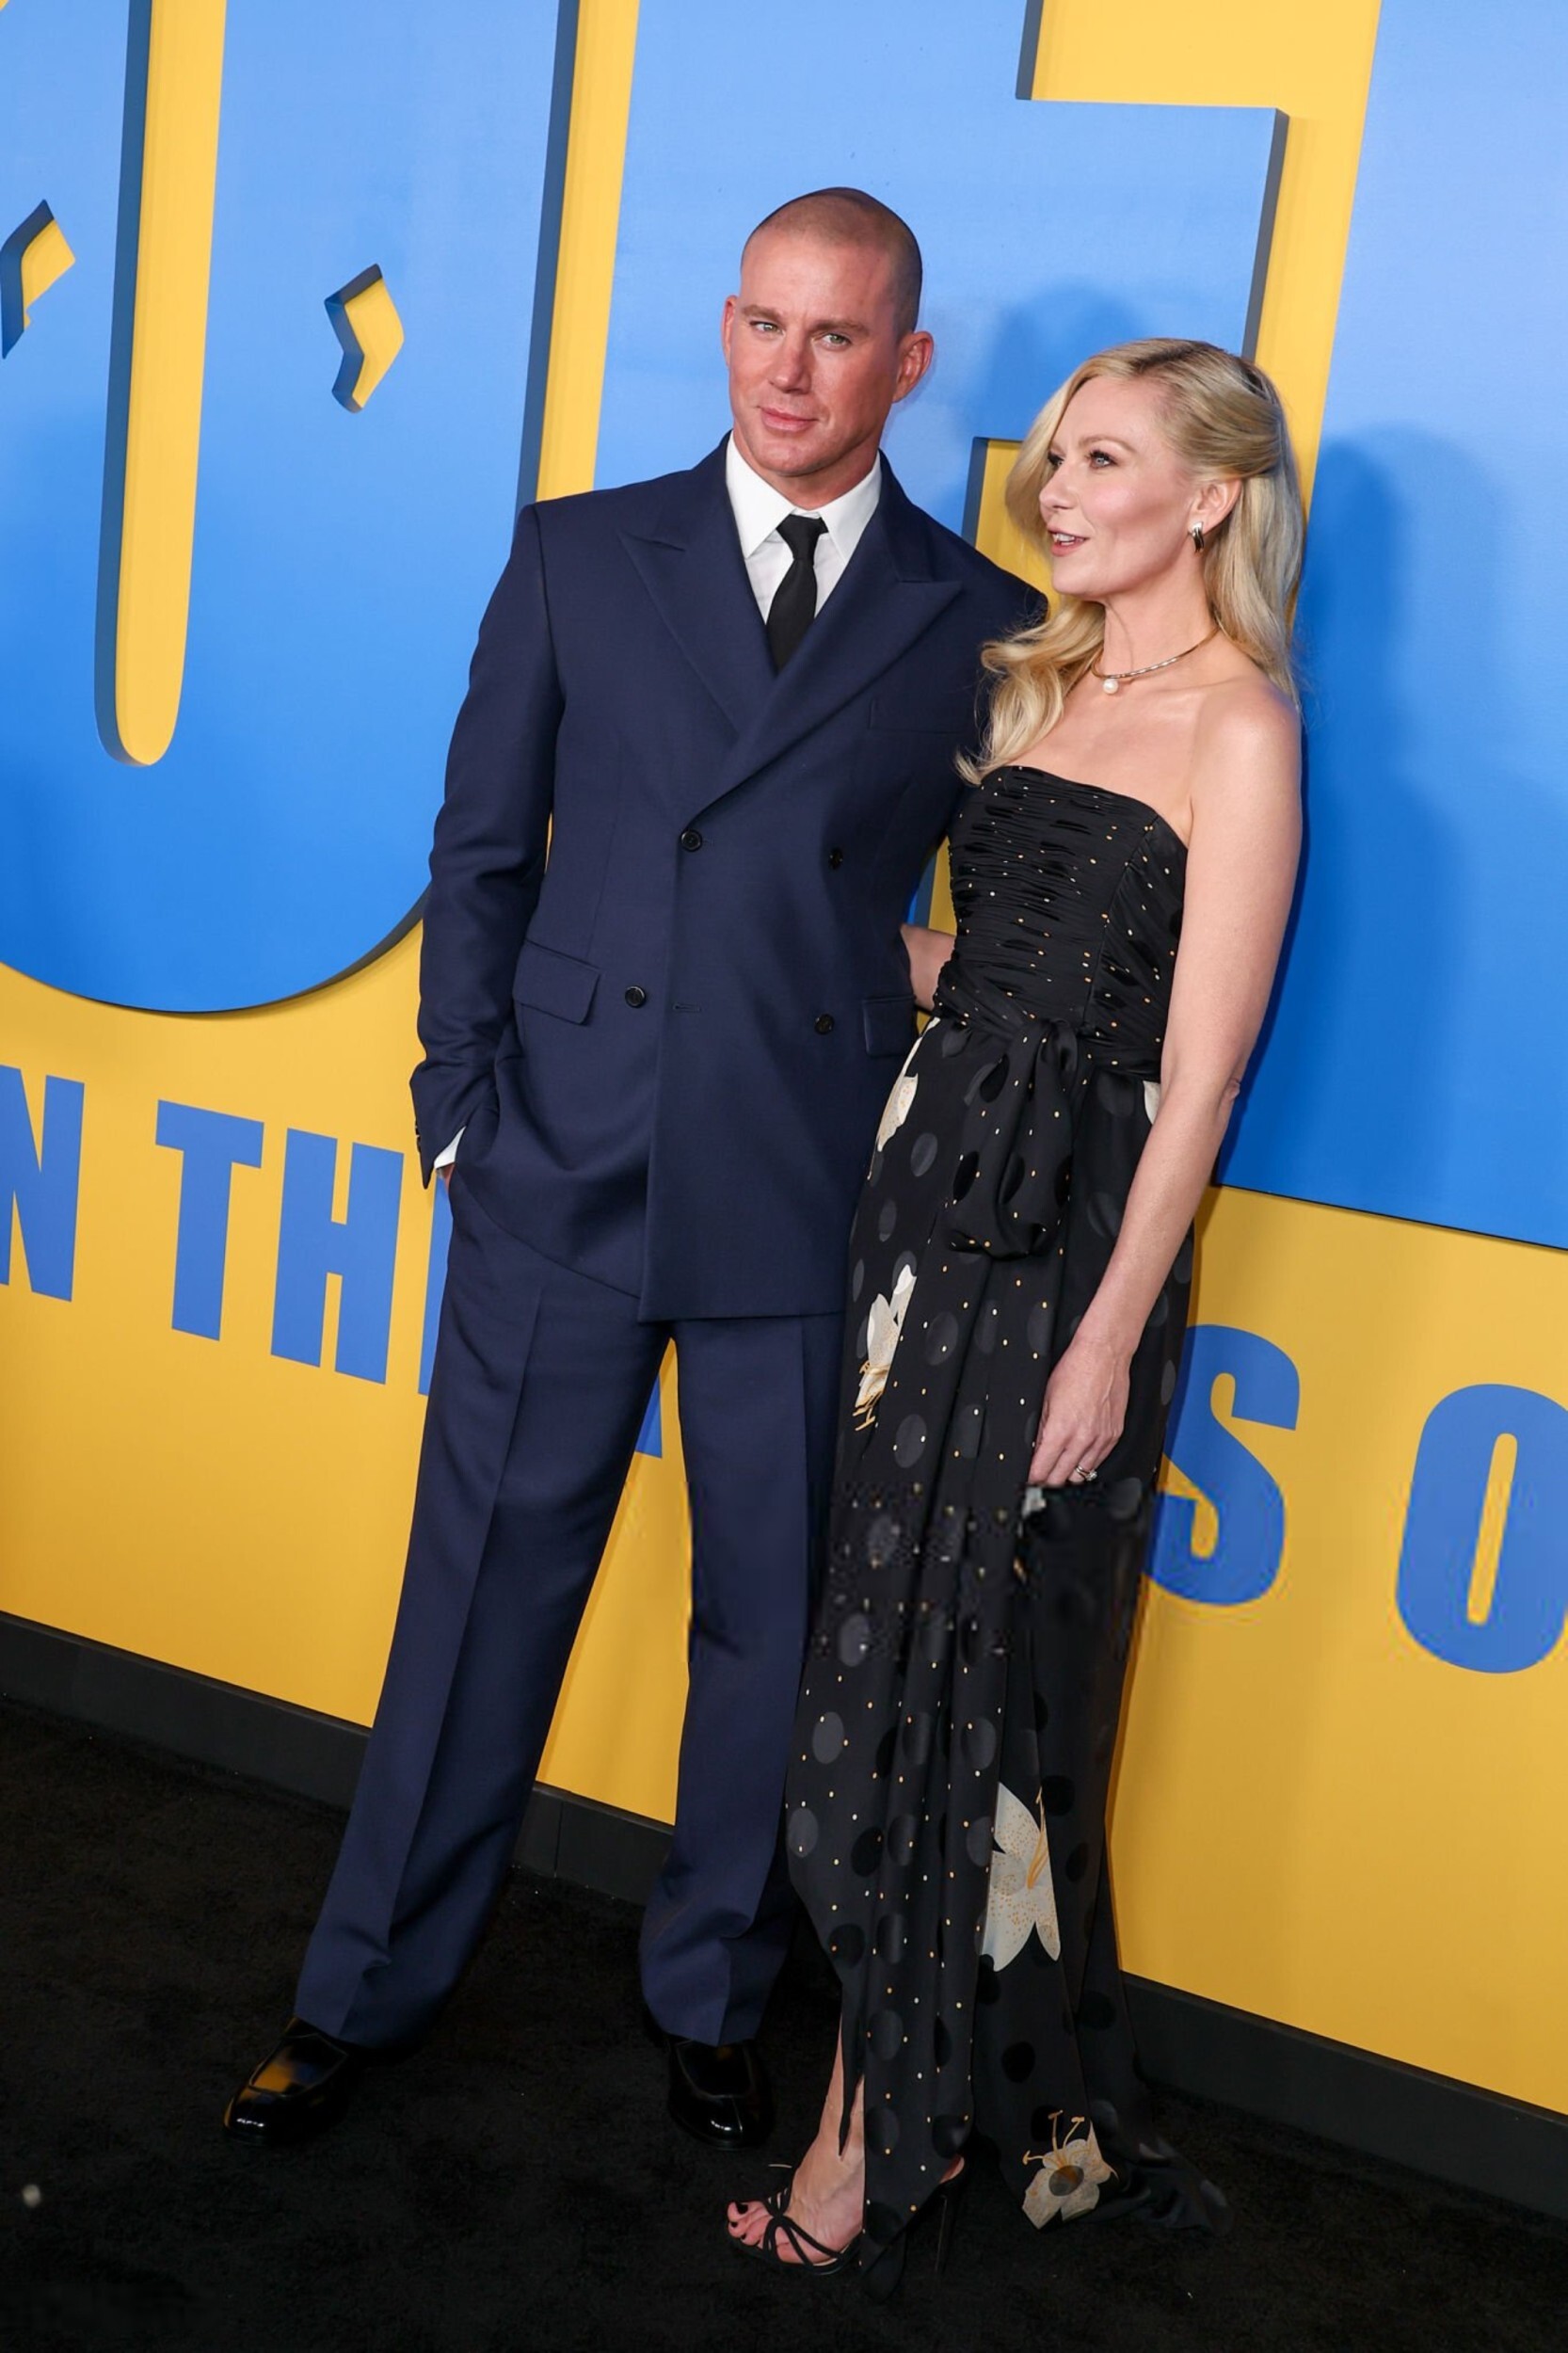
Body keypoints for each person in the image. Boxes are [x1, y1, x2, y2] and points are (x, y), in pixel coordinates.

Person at [223, 190, 1032, 2153]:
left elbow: (1009, 916)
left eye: (832, 336)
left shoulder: (979, 619)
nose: (784, 369)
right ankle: (356, 1995)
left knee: (771, 1626)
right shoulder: (580, 552)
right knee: (476, 1604)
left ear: (906, 362)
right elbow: (479, 848)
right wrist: (458, 1107)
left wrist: (913, 975)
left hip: (807, 1182)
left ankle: (711, 1997)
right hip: (559, 1164)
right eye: (759, 322)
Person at [725, 338, 1304, 2295]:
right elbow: (993, 967)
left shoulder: (1240, 727)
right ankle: (912, 2091)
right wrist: (768, 914)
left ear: (1210, 495)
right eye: (1054, 456)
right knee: (872, 1675)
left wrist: (1105, 1338)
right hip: (917, 1214)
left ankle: (864, 2134)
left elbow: (1197, 1079)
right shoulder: (1045, 686)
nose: (1055, 489)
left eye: (1103, 458)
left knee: (972, 1704)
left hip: (1062, 1245)